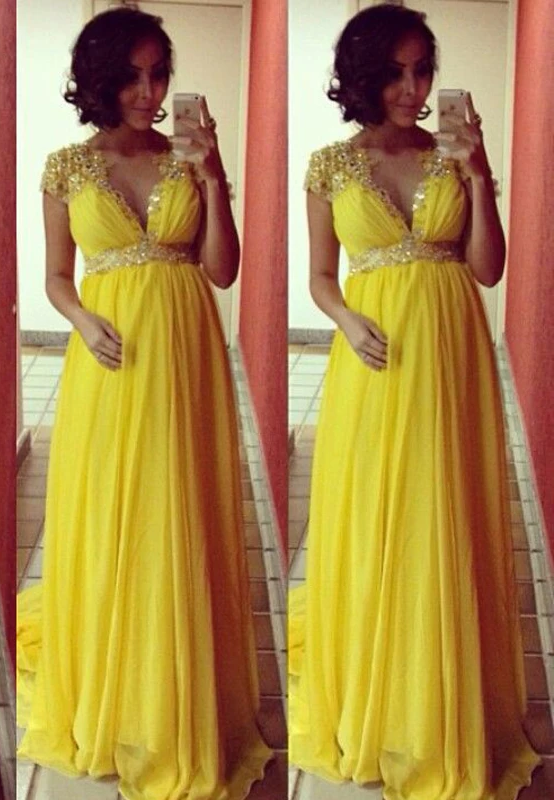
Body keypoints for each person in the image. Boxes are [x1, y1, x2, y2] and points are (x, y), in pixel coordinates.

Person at [16, 7, 273, 799]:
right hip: (110, 356)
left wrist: (215, 175)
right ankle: (116, 685)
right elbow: (57, 276)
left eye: (159, 74)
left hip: (185, 351)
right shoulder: (66, 167)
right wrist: (81, 319)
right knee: (111, 512)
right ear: (100, 80)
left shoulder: (187, 160)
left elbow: (223, 269)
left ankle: (177, 689)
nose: (148, 92)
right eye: (131, 76)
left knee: (177, 507)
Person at [288, 5, 541, 798]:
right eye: (395, 72)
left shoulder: (453, 156)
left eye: (422, 71)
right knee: (377, 518)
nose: (412, 88)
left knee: (444, 512)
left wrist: (479, 174)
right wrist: (346, 319)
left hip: (450, 355)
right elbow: (320, 276)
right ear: (363, 77)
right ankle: (381, 697)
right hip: (373, 357)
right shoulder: (329, 166)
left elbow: (488, 268)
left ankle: (443, 702)